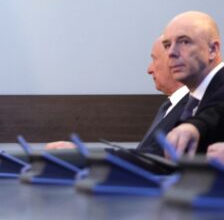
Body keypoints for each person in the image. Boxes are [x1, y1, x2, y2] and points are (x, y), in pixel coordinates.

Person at [45, 36, 189, 155]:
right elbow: (144, 155)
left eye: (154, 59)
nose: (149, 69)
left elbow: (153, 160)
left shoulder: (190, 108)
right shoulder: (168, 105)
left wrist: (86, 155)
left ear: (175, 61)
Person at [163, 11, 224, 155]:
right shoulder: (188, 100)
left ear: (213, 49)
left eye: (184, 42)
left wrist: (195, 126)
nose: (171, 52)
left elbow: (217, 111)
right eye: (167, 45)